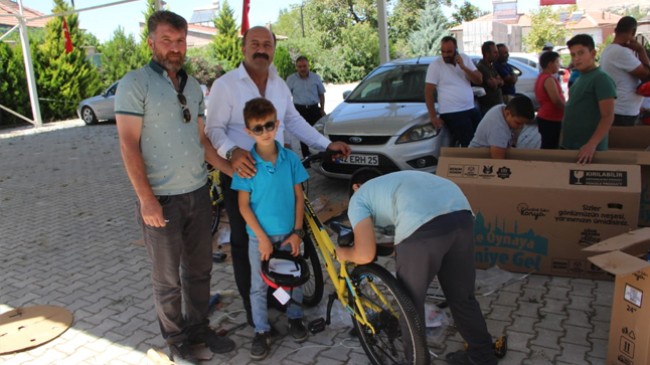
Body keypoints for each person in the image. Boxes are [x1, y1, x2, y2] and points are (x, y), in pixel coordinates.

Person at [205, 25, 351, 329]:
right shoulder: (226, 85)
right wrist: (232, 151)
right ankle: (254, 308)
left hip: (280, 175)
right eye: (255, 43)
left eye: (267, 44)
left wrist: (326, 144)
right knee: (247, 246)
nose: (261, 49)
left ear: (273, 49)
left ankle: (282, 298)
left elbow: (294, 121)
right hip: (241, 177)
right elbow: (214, 130)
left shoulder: (279, 84)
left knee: (286, 237)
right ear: (244, 47)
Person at [114, 10, 235, 363]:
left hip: (197, 193)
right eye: (166, 40)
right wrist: (145, 199)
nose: (174, 47)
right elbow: (127, 144)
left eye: (180, 41)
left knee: (199, 270)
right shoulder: (134, 84)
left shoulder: (193, 86)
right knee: (167, 280)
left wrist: (231, 170)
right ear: (151, 42)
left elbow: (202, 142)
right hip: (161, 201)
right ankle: (176, 338)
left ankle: (198, 327)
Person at [336, 169, 498, 365]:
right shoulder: (397, 181)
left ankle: (416, 361)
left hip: (424, 228)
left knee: (409, 305)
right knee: (463, 297)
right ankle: (482, 356)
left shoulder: (359, 197)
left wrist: (343, 253)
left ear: (356, 186)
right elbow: (390, 240)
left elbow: (365, 254)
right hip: (462, 217)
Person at [231, 98, 310, 360]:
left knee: (293, 278)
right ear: (248, 131)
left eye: (269, 126)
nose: (265, 132)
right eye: (258, 128)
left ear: (277, 125)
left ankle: (295, 316)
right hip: (259, 239)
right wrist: (263, 238)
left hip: (289, 235)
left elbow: (299, 197)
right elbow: (243, 207)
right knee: (259, 286)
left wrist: (297, 233)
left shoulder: (290, 159)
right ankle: (261, 330)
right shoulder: (246, 167)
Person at [560, 34, 616, 163]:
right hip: (572, 147)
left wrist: (591, 144)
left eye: (581, 53)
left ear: (592, 53)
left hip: (588, 153)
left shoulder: (601, 78)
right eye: (573, 55)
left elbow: (608, 116)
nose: (577, 58)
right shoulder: (580, 78)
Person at [425, 36, 483, 147]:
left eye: (449, 51)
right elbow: (428, 92)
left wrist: (463, 67)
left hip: (470, 108)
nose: (445, 55)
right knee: (470, 144)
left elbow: (479, 79)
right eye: (443, 51)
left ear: (456, 49)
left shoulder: (465, 59)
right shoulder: (435, 66)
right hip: (452, 111)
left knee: (483, 139)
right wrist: (433, 116)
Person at [600, 16, 650, 126]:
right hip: (623, 111)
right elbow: (647, 75)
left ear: (616, 31)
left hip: (618, 109)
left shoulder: (608, 50)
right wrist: (641, 50)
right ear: (633, 31)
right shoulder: (621, 52)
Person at [285, 56, 327, 158]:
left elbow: (321, 94)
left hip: (314, 109)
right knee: (302, 134)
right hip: (299, 110)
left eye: (304, 66)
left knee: (317, 132)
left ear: (308, 66)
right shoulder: (291, 79)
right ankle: (307, 158)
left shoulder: (315, 77)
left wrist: (322, 109)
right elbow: (285, 96)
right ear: (296, 67)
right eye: (300, 66)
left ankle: (320, 156)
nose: (302, 69)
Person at [469, 95, 535, 158]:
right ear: (507, 113)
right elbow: (498, 159)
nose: (521, 127)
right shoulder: (498, 129)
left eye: (524, 124)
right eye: (518, 123)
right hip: (478, 157)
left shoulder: (501, 108)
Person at [535, 51, 565, 149]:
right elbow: (556, 100)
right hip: (550, 118)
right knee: (550, 147)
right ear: (550, 64)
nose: (558, 65)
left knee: (548, 144)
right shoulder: (548, 79)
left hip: (548, 117)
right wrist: (568, 110)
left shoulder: (541, 77)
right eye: (557, 62)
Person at [476, 41, 504, 115]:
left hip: (497, 104)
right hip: (489, 107)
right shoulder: (481, 67)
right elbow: (493, 84)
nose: (497, 55)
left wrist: (498, 81)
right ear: (487, 54)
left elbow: (501, 81)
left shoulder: (491, 66)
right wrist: (497, 82)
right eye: (495, 52)